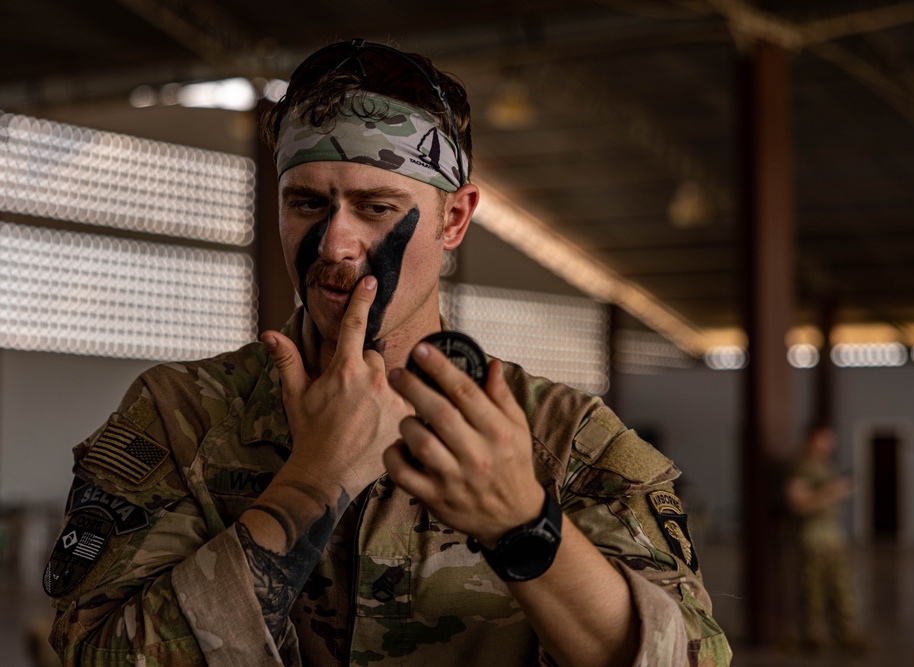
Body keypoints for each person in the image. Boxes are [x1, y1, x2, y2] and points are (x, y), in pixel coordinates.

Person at [43, 38, 731, 666]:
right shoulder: (179, 417)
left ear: (454, 218)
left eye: (376, 207)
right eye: (307, 204)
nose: (336, 244)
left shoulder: (563, 441)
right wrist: (311, 483)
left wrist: (527, 527)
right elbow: (93, 655)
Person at [785, 423, 867, 653]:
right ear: (812, 439)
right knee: (814, 591)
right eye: (824, 439)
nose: (829, 445)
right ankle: (814, 638)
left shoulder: (824, 465)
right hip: (813, 537)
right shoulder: (803, 466)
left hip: (832, 536)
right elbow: (799, 504)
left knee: (842, 589)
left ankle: (846, 634)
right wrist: (832, 491)